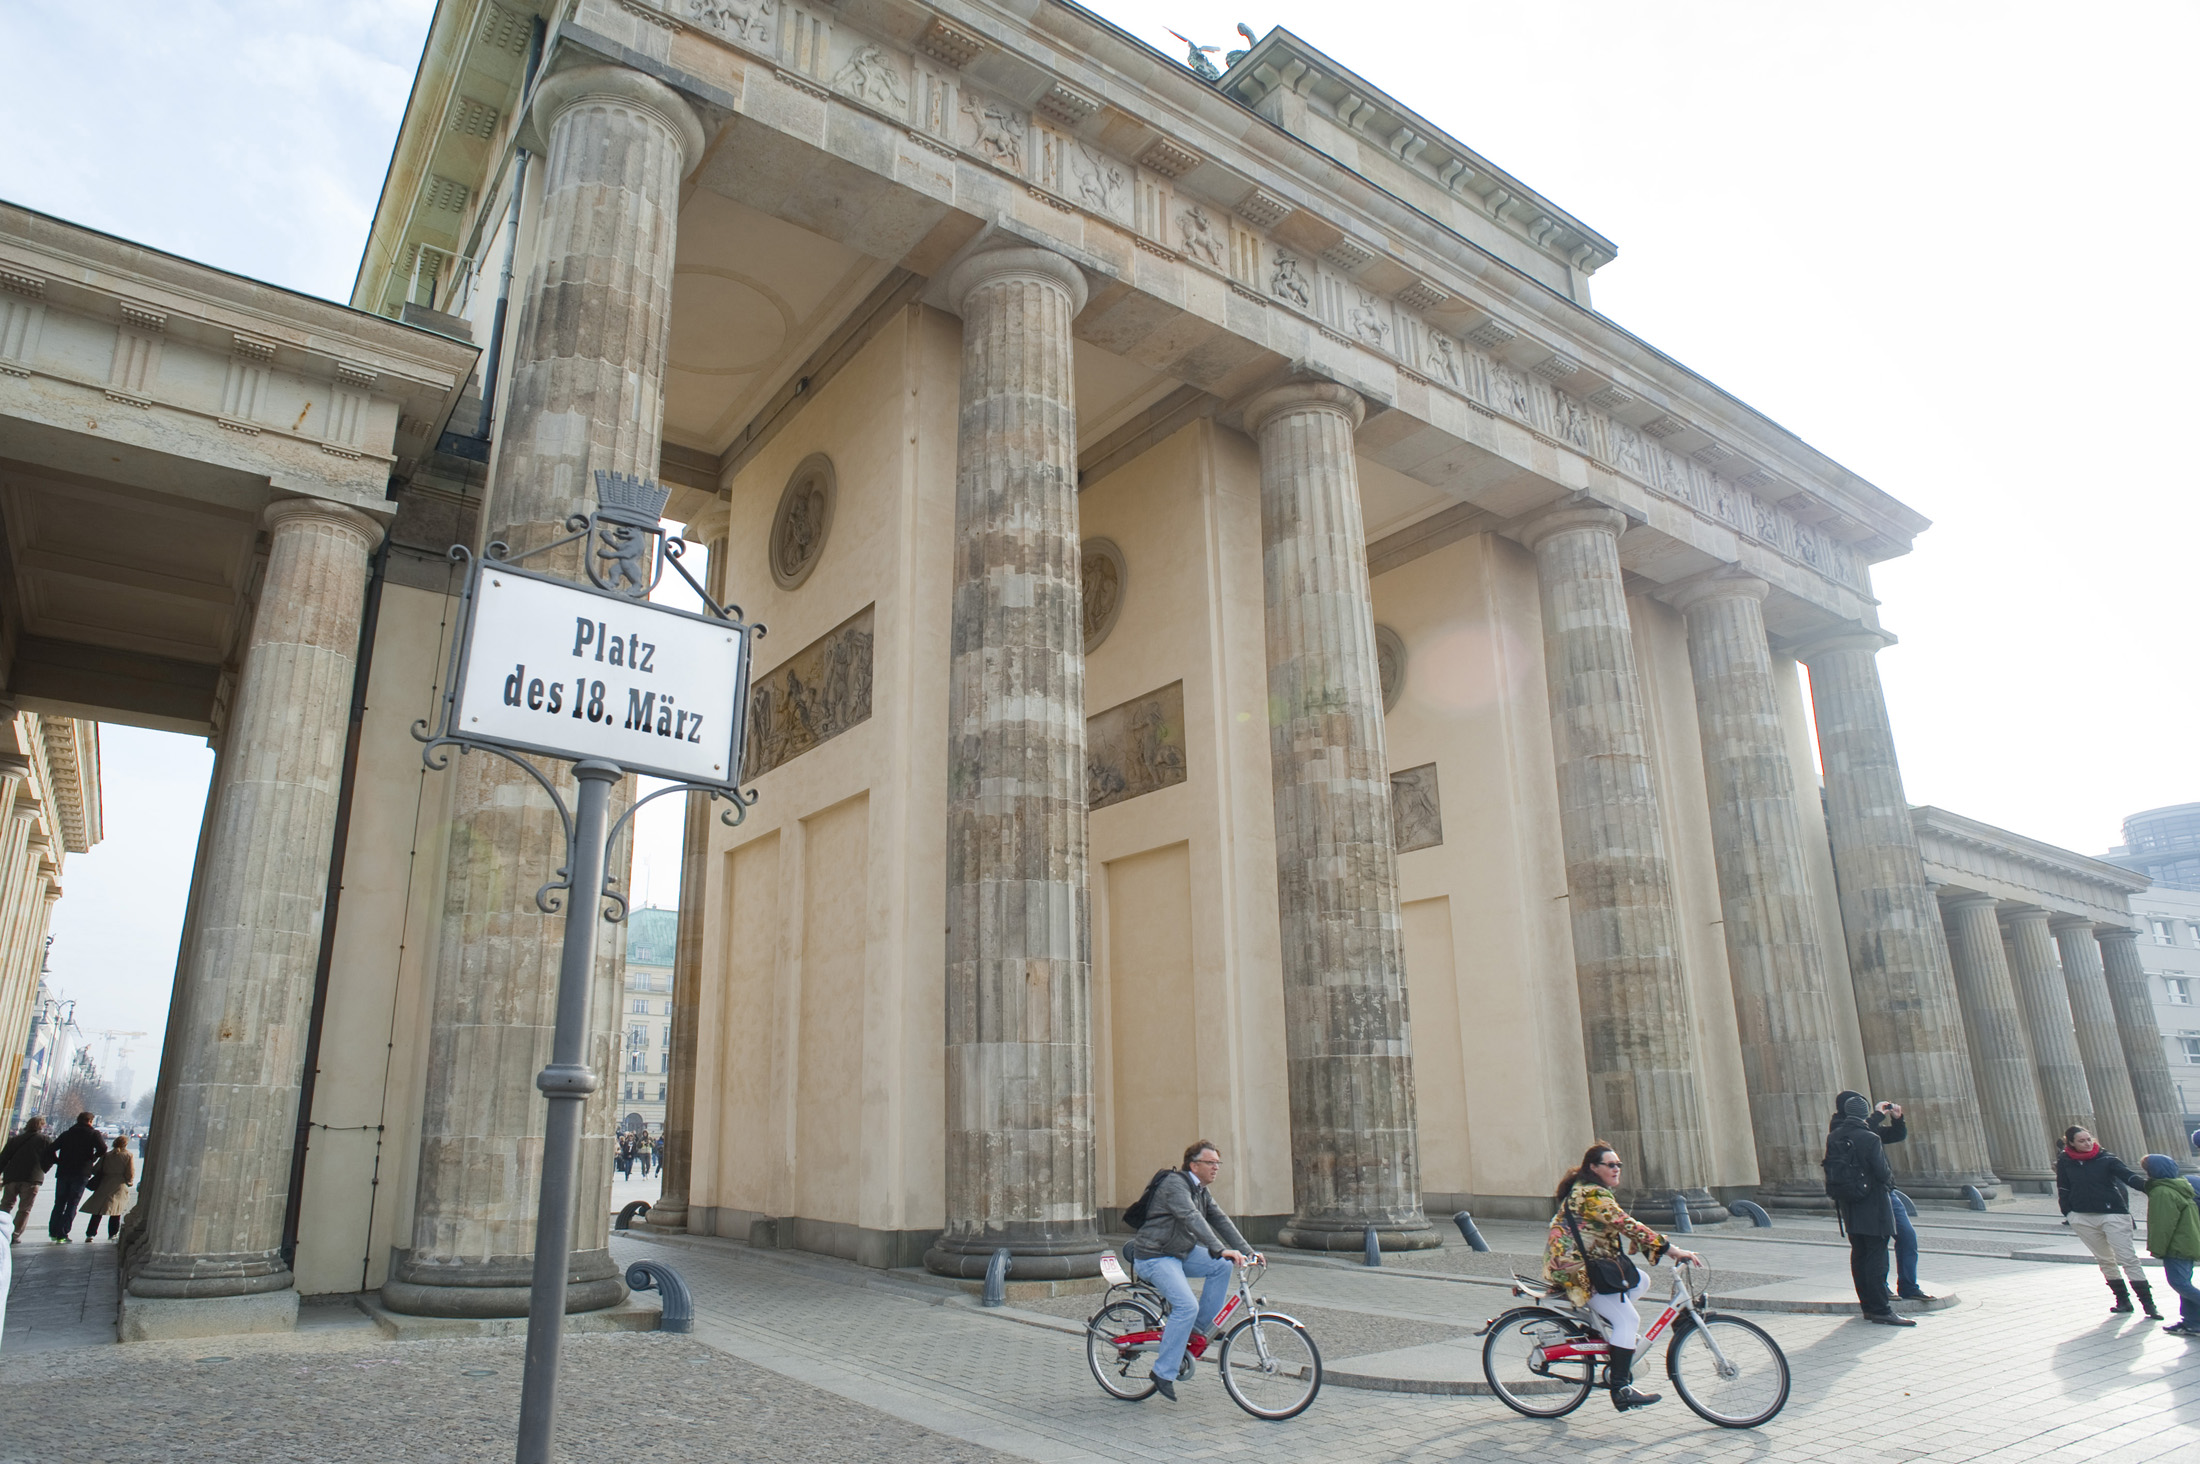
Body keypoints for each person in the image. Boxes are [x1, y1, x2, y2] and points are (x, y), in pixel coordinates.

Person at [1544, 1143, 1701, 1410]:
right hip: (1575, 1271)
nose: (1617, 1169)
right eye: (1611, 1165)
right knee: (1629, 1319)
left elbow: (1619, 1226)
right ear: (1594, 1168)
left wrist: (1647, 1244)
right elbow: (1624, 1223)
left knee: (1641, 1280)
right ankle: (1621, 1388)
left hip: (1589, 1262)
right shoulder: (1591, 1194)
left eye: (1619, 1165)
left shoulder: (1593, 1191)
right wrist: (1670, 1250)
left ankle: (1599, 1330)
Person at [1125, 1140, 1258, 1402]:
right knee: (1186, 1306)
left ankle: (1198, 1330)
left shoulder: (1200, 1190)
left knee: (1221, 1267)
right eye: (1211, 1163)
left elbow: (1220, 1218)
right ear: (1193, 1165)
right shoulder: (1175, 1184)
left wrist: (1247, 1251)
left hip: (1180, 1253)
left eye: (1218, 1163)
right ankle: (1163, 1372)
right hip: (1155, 1256)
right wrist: (1220, 1248)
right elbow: (1191, 1218)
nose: (1216, 1168)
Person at [1825, 1091, 1916, 1326]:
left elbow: (1894, 1134)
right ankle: (1881, 1308)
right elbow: (1882, 1171)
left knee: (1860, 1253)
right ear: (1864, 1112)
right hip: (1874, 1201)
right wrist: (1877, 1115)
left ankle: (1869, 1305)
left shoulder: (1835, 1134)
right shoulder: (1869, 1136)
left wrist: (1896, 1119)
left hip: (1850, 1201)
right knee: (1876, 1255)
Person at [2057, 1125, 2158, 1318]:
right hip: (2082, 1216)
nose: (2087, 1143)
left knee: (2128, 1258)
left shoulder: (2106, 1158)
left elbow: (2129, 1177)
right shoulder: (2064, 1161)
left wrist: (2153, 1188)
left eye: (2089, 1139)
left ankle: (2148, 1304)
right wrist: (2069, 1213)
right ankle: (2122, 1300)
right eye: (2081, 1141)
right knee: (2105, 1260)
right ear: (2070, 1143)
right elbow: (2063, 1187)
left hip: (2113, 1214)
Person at [2136, 1154, 2200, 1335]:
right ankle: (2193, 1322)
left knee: (2179, 1283)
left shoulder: (2162, 1191)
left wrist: (2157, 1248)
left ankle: (2193, 1321)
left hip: (2176, 1244)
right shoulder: (2181, 1186)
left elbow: (2161, 1224)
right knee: (2184, 1283)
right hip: (2188, 1241)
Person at [45, 1113, 106, 1244]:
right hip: (81, 1172)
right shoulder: (93, 1134)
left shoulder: (67, 1134)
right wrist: (92, 1158)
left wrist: (58, 1161)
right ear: (90, 1121)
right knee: (72, 1203)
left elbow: (50, 1149)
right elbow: (103, 1149)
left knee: (59, 1202)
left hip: (63, 1172)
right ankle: (63, 1232)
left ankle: (53, 1231)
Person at [0, 1117, 53, 1243]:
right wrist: (43, 1169)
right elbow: (51, 1158)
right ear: (41, 1126)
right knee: (24, 1209)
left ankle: (2, 1230)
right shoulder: (45, 1140)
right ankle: (15, 1234)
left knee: (6, 1205)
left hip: (12, 1177)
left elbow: (3, 1158)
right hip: (32, 1179)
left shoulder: (15, 1139)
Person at [81, 1134, 135, 1241]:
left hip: (105, 1183)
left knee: (98, 1210)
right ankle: (112, 1233)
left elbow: (95, 1169)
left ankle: (90, 1233)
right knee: (116, 1210)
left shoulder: (107, 1155)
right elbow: (130, 1172)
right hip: (119, 1184)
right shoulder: (128, 1155)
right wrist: (129, 1181)